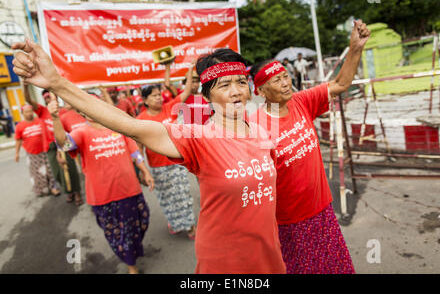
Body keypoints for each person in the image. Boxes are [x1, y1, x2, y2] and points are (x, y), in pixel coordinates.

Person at [12, 42, 286, 274]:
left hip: (269, 252)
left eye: (241, 82)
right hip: (226, 261)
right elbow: (129, 125)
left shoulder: (261, 128)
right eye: (224, 85)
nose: (237, 91)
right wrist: (57, 83)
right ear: (207, 96)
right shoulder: (199, 136)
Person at [249, 20, 371, 274]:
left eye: (285, 77)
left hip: (323, 209)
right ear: (260, 91)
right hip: (289, 222)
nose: (285, 83)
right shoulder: (254, 126)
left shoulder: (301, 101)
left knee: (338, 268)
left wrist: (355, 49)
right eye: (275, 80)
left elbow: (340, 84)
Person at [47, 93, 154, 274]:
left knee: (143, 219)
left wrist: (144, 170)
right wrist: (55, 118)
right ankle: (131, 264)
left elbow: (134, 151)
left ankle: (131, 251)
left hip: (130, 190)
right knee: (117, 234)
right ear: (82, 110)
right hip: (103, 197)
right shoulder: (81, 132)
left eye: (94, 104)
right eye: (87, 105)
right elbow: (64, 145)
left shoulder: (118, 127)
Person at [136, 62, 196, 239]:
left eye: (159, 95)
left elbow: (185, 92)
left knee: (183, 196)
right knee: (168, 199)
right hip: (158, 168)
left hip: (177, 163)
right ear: (145, 100)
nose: (158, 98)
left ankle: (191, 226)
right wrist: (143, 170)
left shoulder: (170, 107)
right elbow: (137, 148)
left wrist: (190, 69)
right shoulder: (141, 120)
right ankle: (176, 223)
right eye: (154, 96)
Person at [23, 85, 66, 196]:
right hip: (50, 146)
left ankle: (74, 193)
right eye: (46, 97)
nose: (48, 99)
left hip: (62, 143)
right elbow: (28, 100)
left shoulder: (63, 111)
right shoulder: (42, 111)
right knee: (55, 173)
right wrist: (25, 86)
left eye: (50, 96)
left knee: (68, 169)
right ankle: (66, 188)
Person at [14, 104, 56, 197]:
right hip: (32, 154)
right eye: (26, 112)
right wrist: (16, 153)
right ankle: (42, 189)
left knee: (49, 170)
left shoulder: (40, 121)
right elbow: (18, 140)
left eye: (30, 111)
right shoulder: (20, 126)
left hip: (45, 151)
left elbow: (48, 133)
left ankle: (53, 187)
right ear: (22, 113)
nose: (29, 113)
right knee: (37, 173)